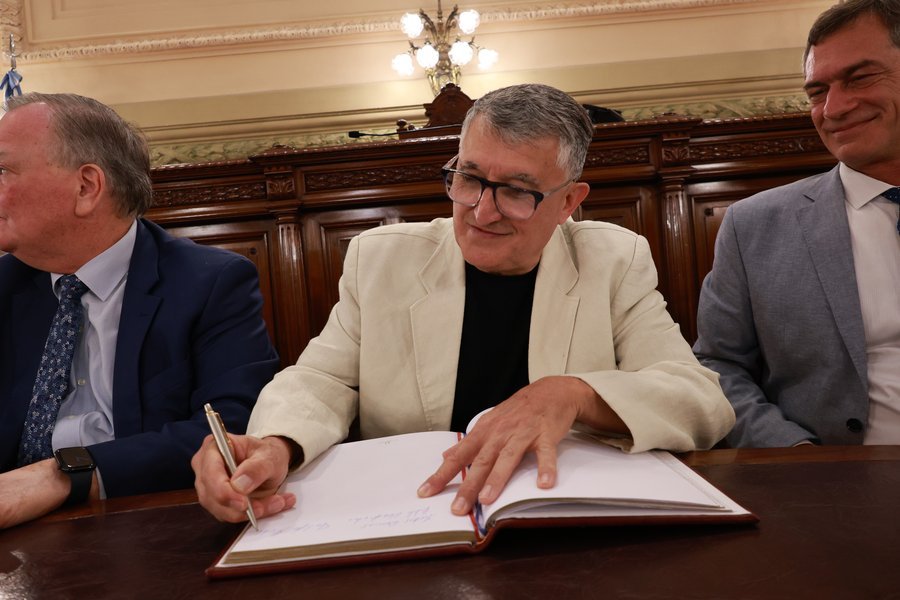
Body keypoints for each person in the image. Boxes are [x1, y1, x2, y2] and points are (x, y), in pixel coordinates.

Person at [193, 83, 734, 524]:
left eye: (518, 191)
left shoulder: (614, 260)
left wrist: (575, 394)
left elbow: (699, 400)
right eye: (470, 178)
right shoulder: (380, 260)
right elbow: (322, 381)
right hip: (413, 516)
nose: (482, 211)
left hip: (565, 523)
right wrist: (277, 444)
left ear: (570, 201)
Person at [0, 92, 280, 528]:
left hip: (146, 525)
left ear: (86, 187)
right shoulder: (5, 286)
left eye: (3, 170)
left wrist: (62, 475)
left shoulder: (210, 282)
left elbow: (233, 430)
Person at [693, 0, 900, 447]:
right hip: (830, 491)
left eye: (859, 78)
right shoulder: (752, 227)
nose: (833, 109)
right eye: (816, 92)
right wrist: (799, 458)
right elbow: (717, 367)